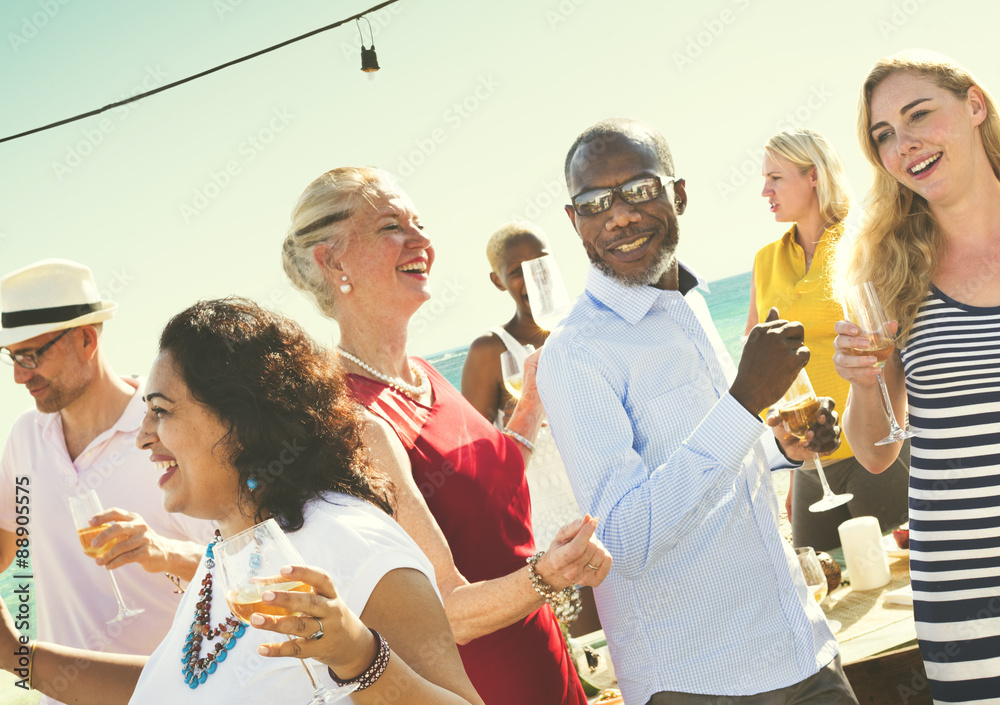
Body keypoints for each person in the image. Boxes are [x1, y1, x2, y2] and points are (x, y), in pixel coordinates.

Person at [0, 297, 485, 704]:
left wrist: (360, 656)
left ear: (240, 421)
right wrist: (15, 655)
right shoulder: (233, 550)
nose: (144, 437)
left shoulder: (349, 541)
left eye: (161, 412)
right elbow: (171, 689)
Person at [537, 118, 858, 705]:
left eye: (638, 190)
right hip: (701, 680)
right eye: (595, 202)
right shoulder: (574, 354)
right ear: (574, 220)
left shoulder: (688, 303)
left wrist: (778, 447)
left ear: (677, 194)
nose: (620, 215)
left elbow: (703, 460)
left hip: (801, 644)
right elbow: (623, 539)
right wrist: (745, 403)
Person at [281, 167, 612, 704]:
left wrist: (530, 403)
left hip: (545, 659)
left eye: (419, 223)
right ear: (332, 260)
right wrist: (550, 574)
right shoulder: (346, 416)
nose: (423, 241)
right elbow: (439, 609)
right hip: (477, 685)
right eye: (392, 226)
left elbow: (491, 478)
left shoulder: (424, 374)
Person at [833, 50, 1000, 705]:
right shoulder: (885, 275)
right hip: (964, 587)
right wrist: (859, 377)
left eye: (918, 114)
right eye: (883, 136)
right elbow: (876, 452)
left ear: (975, 105)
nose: (904, 144)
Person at [0, 259, 211, 705]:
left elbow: (241, 565)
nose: (19, 375)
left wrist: (162, 550)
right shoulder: (24, 439)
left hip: (171, 695)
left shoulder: (168, 429)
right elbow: (6, 542)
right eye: (12, 357)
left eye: (30, 356)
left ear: (86, 339)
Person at [747, 129, 909, 551]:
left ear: (814, 176)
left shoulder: (863, 245)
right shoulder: (765, 261)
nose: (765, 190)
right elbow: (756, 352)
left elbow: (890, 344)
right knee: (824, 586)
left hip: (874, 454)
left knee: (897, 576)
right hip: (810, 462)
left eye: (776, 178)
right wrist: (783, 445)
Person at [461, 222, 582, 555]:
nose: (532, 277)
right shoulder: (490, 351)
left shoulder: (583, 330)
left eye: (539, 263)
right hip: (551, 528)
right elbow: (479, 463)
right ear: (497, 281)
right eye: (516, 270)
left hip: (608, 508)